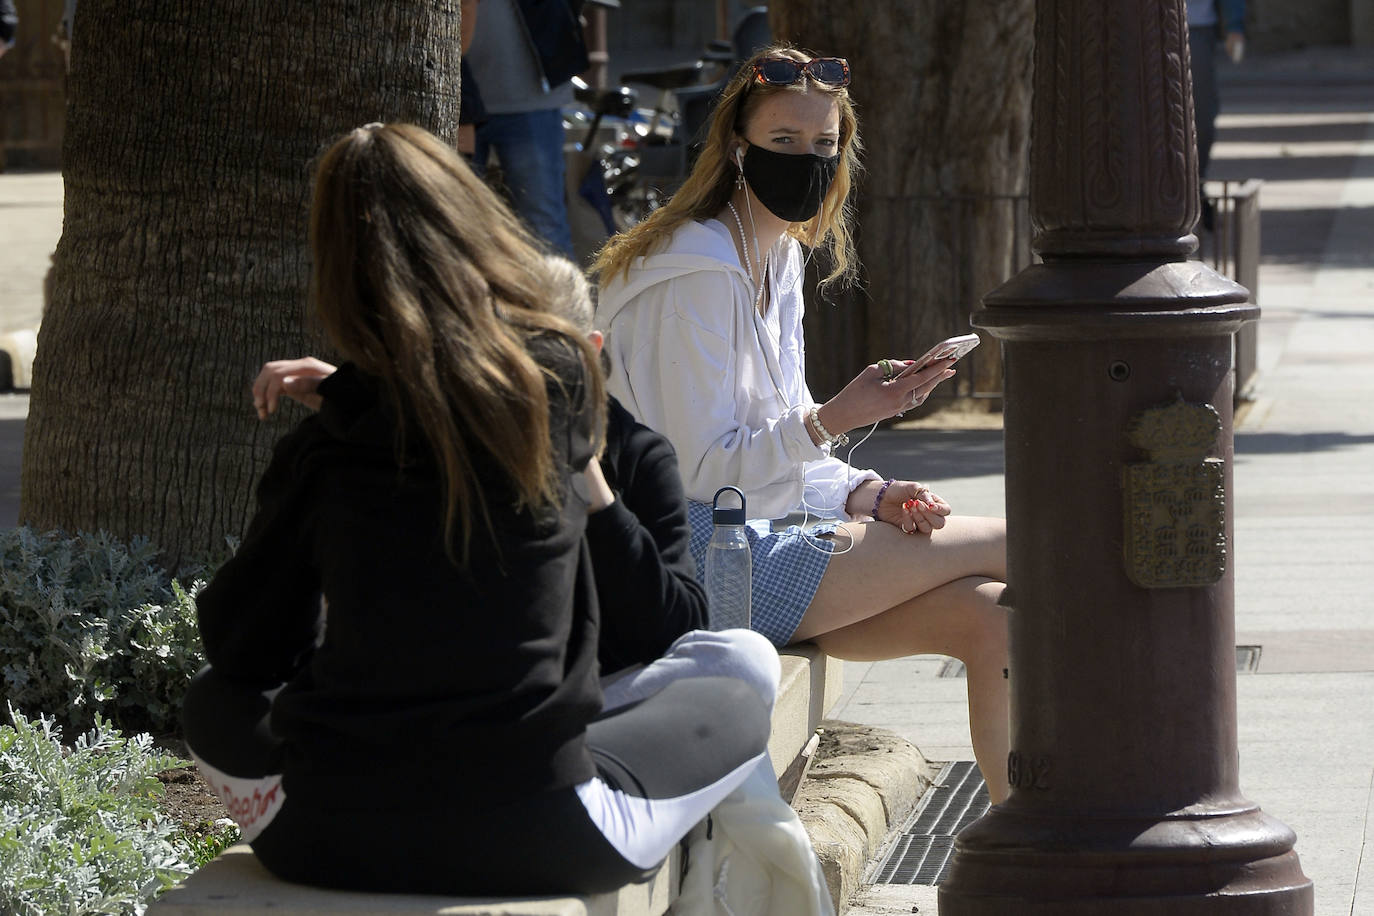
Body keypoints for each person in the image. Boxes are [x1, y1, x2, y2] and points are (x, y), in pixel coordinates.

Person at [182, 123, 773, 897]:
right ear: (477, 231)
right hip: (542, 836)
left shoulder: (325, 442)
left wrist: (345, 402)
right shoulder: (558, 382)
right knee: (738, 679)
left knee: (212, 699)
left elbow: (242, 652)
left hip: (327, 838)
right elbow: (458, 397)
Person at [592, 47, 1012, 802]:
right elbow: (700, 474)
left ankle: (1029, 839)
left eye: (824, 144)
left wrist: (865, 493)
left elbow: (777, 436)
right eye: (783, 140)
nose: (808, 161)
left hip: (754, 539)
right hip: (686, 560)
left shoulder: (776, 253)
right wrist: (835, 418)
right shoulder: (692, 275)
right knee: (1026, 546)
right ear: (736, 146)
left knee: (993, 619)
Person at [463, 0, 587, 257]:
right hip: (458, 98)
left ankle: (557, 285)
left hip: (532, 97)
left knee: (544, 225)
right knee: (457, 222)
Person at [1188, 0, 1246, 231]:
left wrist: (1235, 26)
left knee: (1202, 116)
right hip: (1141, 28)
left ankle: (1196, 185)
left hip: (1197, 27)